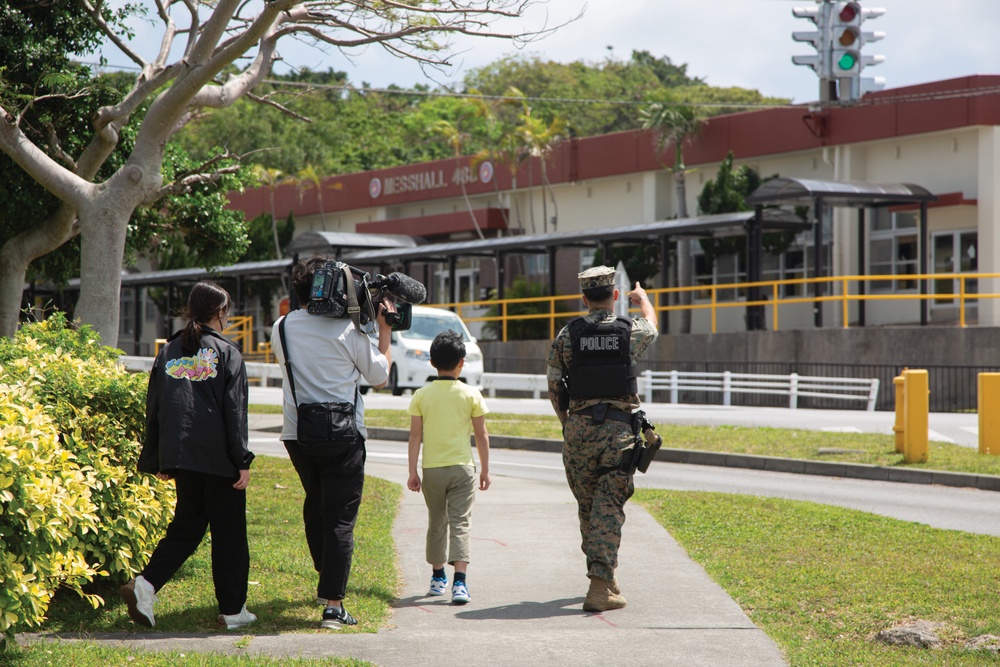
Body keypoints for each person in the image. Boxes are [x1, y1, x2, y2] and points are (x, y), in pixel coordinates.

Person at [122, 281, 256, 630]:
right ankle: (232, 611)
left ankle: (145, 586)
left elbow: (156, 406)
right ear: (220, 312)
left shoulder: (168, 351)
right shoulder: (228, 353)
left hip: (183, 458)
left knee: (187, 528)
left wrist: (160, 457)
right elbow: (234, 411)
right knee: (229, 535)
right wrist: (242, 460)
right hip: (219, 461)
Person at [272, 256, 395, 630]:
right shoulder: (349, 330)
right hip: (344, 436)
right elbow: (379, 377)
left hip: (298, 435)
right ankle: (333, 606)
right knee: (340, 519)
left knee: (317, 505)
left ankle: (326, 577)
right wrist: (384, 333)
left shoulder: (282, 327)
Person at [546, 265, 658, 612]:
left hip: (578, 433)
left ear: (583, 299)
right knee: (608, 509)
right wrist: (642, 299)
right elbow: (652, 326)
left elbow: (553, 385)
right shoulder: (628, 331)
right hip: (617, 434)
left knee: (589, 508)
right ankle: (598, 587)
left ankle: (605, 580)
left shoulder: (568, 335)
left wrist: (569, 422)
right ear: (613, 295)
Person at [406, 330, 491, 605]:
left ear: (432, 362)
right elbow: (481, 435)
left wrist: (412, 472)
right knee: (461, 523)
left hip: (432, 469)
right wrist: (485, 470)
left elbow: (415, 436)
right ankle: (460, 584)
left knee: (437, 522)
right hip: (463, 469)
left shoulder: (421, 395)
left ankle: (437, 576)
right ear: (461, 362)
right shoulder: (471, 394)